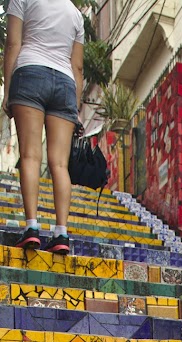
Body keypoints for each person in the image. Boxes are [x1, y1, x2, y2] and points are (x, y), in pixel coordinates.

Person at [2, 0, 84, 254]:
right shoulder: (75, 14)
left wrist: (7, 90)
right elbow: (78, 67)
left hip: (30, 72)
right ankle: (61, 233)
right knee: (59, 164)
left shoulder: (22, 0)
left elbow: (13, 44)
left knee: (30, 155)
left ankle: (32, 228)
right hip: (65, 84)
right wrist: (75, 108)